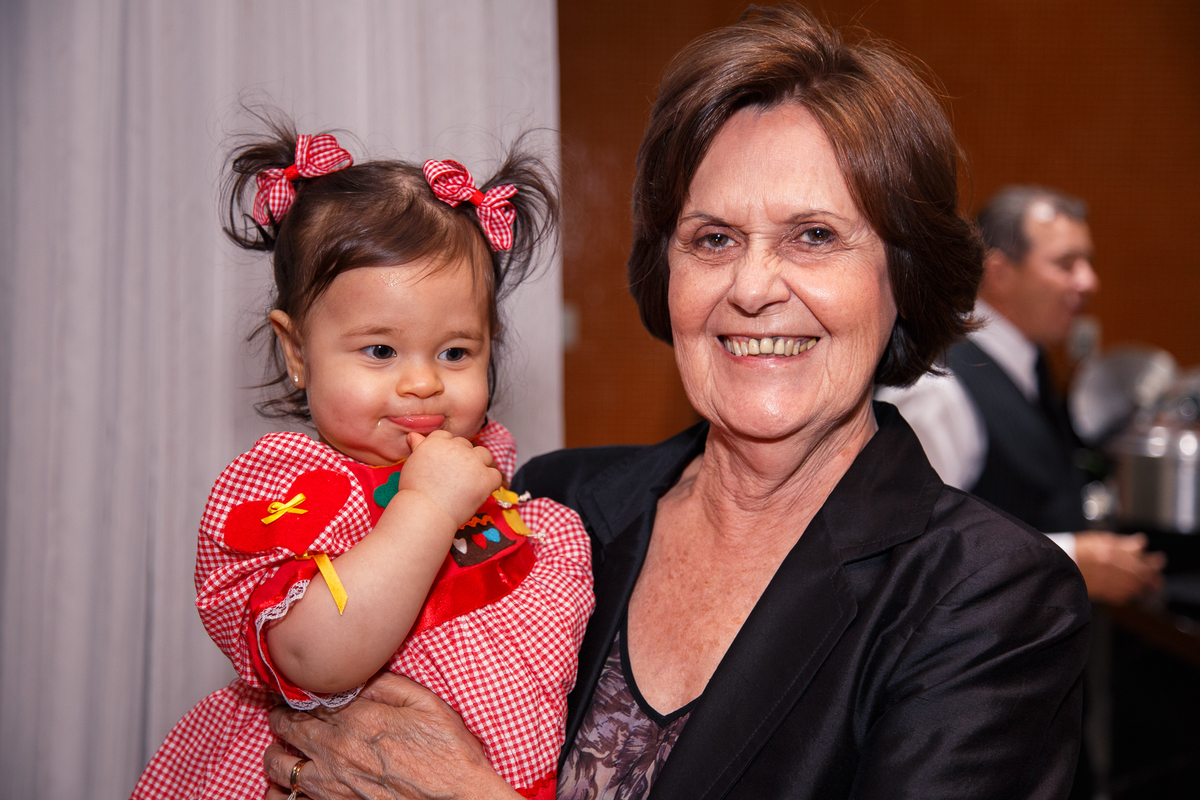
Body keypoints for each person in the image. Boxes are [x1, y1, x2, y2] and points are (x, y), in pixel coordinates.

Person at [261, 7, 1091, 798]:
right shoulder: (551, 507)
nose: (753, 288)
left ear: (902, 277)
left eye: (814, 236)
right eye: (713, 239)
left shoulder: (990, 599)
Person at [130, 120, 594, 800]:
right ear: (297, 352)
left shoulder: (531, 520)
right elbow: (313, 658)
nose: (423, 383)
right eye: (380, 350)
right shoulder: (297, 494)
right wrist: (426, 508)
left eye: (456, 351)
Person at [878, 185, 1165, 605]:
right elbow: (906, 550)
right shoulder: (937, 386)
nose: (1089, 281)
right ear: (999, 273)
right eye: (1066, 264)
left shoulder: (1032, 364)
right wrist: (1070, 558)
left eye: (1088, 262)